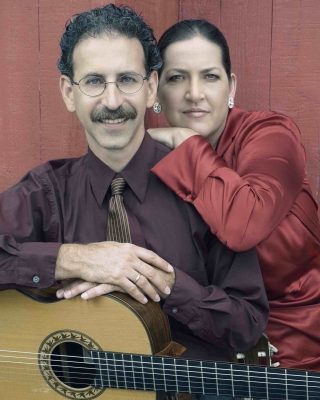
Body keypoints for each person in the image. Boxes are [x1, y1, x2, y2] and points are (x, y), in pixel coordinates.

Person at [0, 5, 268, 399]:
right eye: (93, 81)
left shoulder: (207, 189)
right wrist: (73, 258)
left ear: (151, 86)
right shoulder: (45, 193)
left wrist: (170, 287)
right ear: (68, 93)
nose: (112, 101)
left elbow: (248, 323)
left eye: (126, 79)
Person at [148, 19, 320, 371]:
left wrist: (185, 144)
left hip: (298, 364)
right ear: (155, 91)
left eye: (210, 76)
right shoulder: (146, 164)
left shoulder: (271, 135)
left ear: (231, 86)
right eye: (177, 77)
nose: (194, 93)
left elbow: (244, 224)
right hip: (204, 367)